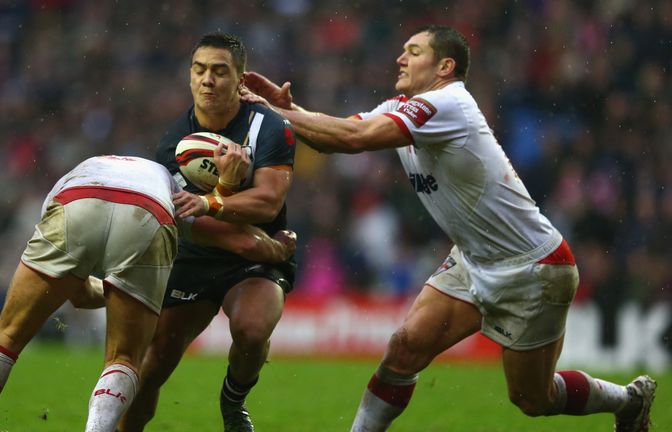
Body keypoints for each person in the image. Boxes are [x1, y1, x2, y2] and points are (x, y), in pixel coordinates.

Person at [242, 24, 656, 432]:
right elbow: (336, 137)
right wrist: (289, 113)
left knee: (533, 398)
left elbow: (356, 137)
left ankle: (629, 400)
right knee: (403, 351)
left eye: (414, 51)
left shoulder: (448, 103)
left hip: (533, 267)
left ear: (445, 66)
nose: (400, 57)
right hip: (473, 259)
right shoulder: (402, 108)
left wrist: (273, 112)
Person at [0, 153, 296, 432]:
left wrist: (112, 292)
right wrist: (279, 249)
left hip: (76, 196)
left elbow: (78, 294)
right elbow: (243, 242)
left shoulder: (92, 168)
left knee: (6, 335)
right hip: (147, 211)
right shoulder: (178, 194)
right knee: (124, 359)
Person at [118, 33, 296, 432]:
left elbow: (268, 202)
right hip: (204, 253)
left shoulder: (270, 127)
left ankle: (233, 402)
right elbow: (200, 227)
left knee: (252, 330)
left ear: (240, 80)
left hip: (253, 261)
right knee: (151, 367)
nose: (207, 80)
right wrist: (263, 245)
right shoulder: (172, 145)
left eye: (219, 71)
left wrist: (212, 201)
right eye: (199, 70)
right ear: (189, 76)